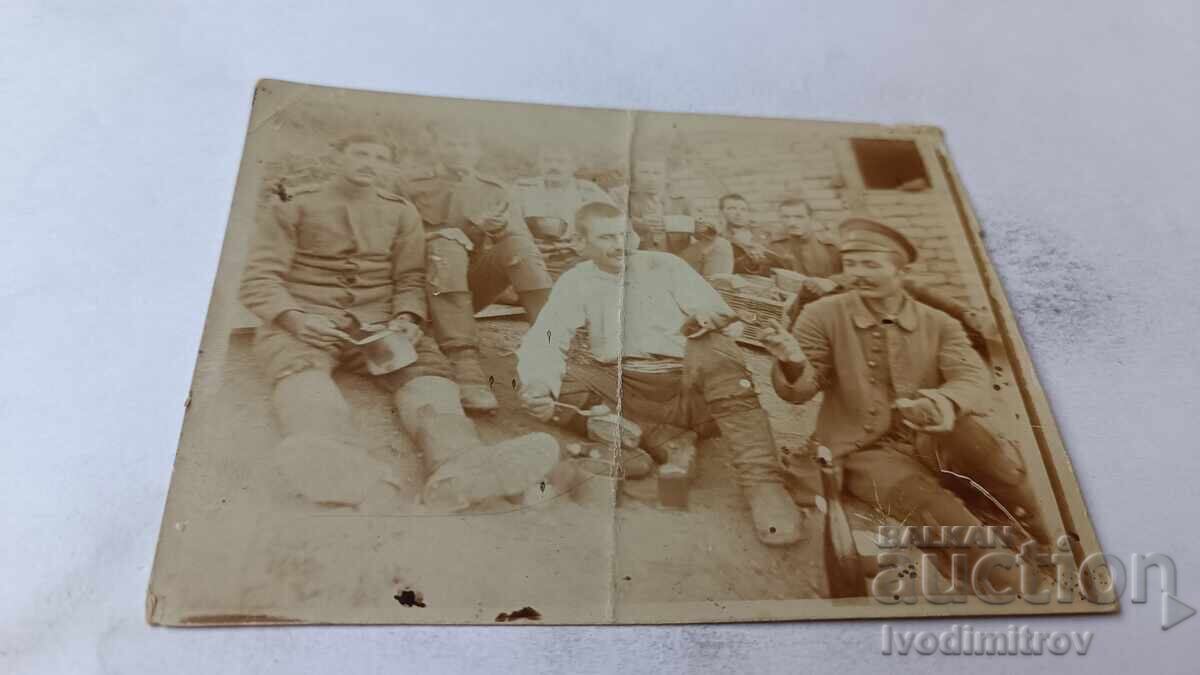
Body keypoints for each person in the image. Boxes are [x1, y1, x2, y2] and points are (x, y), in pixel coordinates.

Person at [240, 133, 559, 513]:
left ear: (387, 166)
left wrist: (408, 316)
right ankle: (338, 459)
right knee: (302, 375)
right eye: (360, 153)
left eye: (379, 157)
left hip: (378, 320)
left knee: (425, 373)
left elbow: (410, 277)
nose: (369, 163)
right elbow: (258, 277)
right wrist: (293, 318)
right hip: (306, 320)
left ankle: (460, 464)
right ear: (339, 157)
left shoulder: (400, 211)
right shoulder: (295, 207)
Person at [516, 202, 803, 546]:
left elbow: (714, 310)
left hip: (692, 392)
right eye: (606, 237)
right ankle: (662, 437)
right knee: (549, 378)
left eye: (625, 234)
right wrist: (538, 383)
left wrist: (710, 318)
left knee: (716, 348)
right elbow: (547, 335)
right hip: (629, 392)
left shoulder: (666, 265)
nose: (620, 244)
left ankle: (763, 483)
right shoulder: (576, 280)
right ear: (581, 242)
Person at [761, 218, 1027, 585]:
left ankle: (1039, 532)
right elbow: (800, 390)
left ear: (900, 270)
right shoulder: (820, 314)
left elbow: (973, 378)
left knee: (997, 463)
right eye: (852, 264)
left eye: (871, 265)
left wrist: (945, 402)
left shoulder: (939, 323)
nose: (858, 274)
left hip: (933, 436)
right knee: (942, 513)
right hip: (861, 450)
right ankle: (1014, 580)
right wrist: (791, 360)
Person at [402, 122, 555, 414]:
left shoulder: (494, 189)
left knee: (519, 246)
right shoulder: (411, 187)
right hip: (422, 290)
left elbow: (521, 242)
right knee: (447, 244)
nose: (458, 151)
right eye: (450, 144)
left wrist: (497, 232)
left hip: (468, 291)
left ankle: (550, 341)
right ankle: (464, 360)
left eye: (466, 145)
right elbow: (396, 241)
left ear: (478, 152)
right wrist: (463, 229)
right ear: (435, 148)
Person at [512, 143, 614, 275]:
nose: (553, 167)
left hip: (578, 259)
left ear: (574, 166)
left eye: (561, 161)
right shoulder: (522, 189)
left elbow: (615, 223)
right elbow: (511, 225)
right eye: (547, 161)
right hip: (532, 259)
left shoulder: (590, 192)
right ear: (539, 164)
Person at [719, 193, 796, 277]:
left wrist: (766, 254)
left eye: (743, 209)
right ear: (722, 212)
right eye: (732, 209)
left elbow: (785, 260)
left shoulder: (765, 232)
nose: (738, 213)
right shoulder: (720, 238)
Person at [626, 156, 692, 252]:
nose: (651, 178)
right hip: (639, 257)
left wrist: (670, 223)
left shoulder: (681, 201)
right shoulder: (626, 200)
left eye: (657, 173)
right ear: (634, 176)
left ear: (666, 177)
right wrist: (636, 223)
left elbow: (705, 229)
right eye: (644, 172)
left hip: (676, 258)